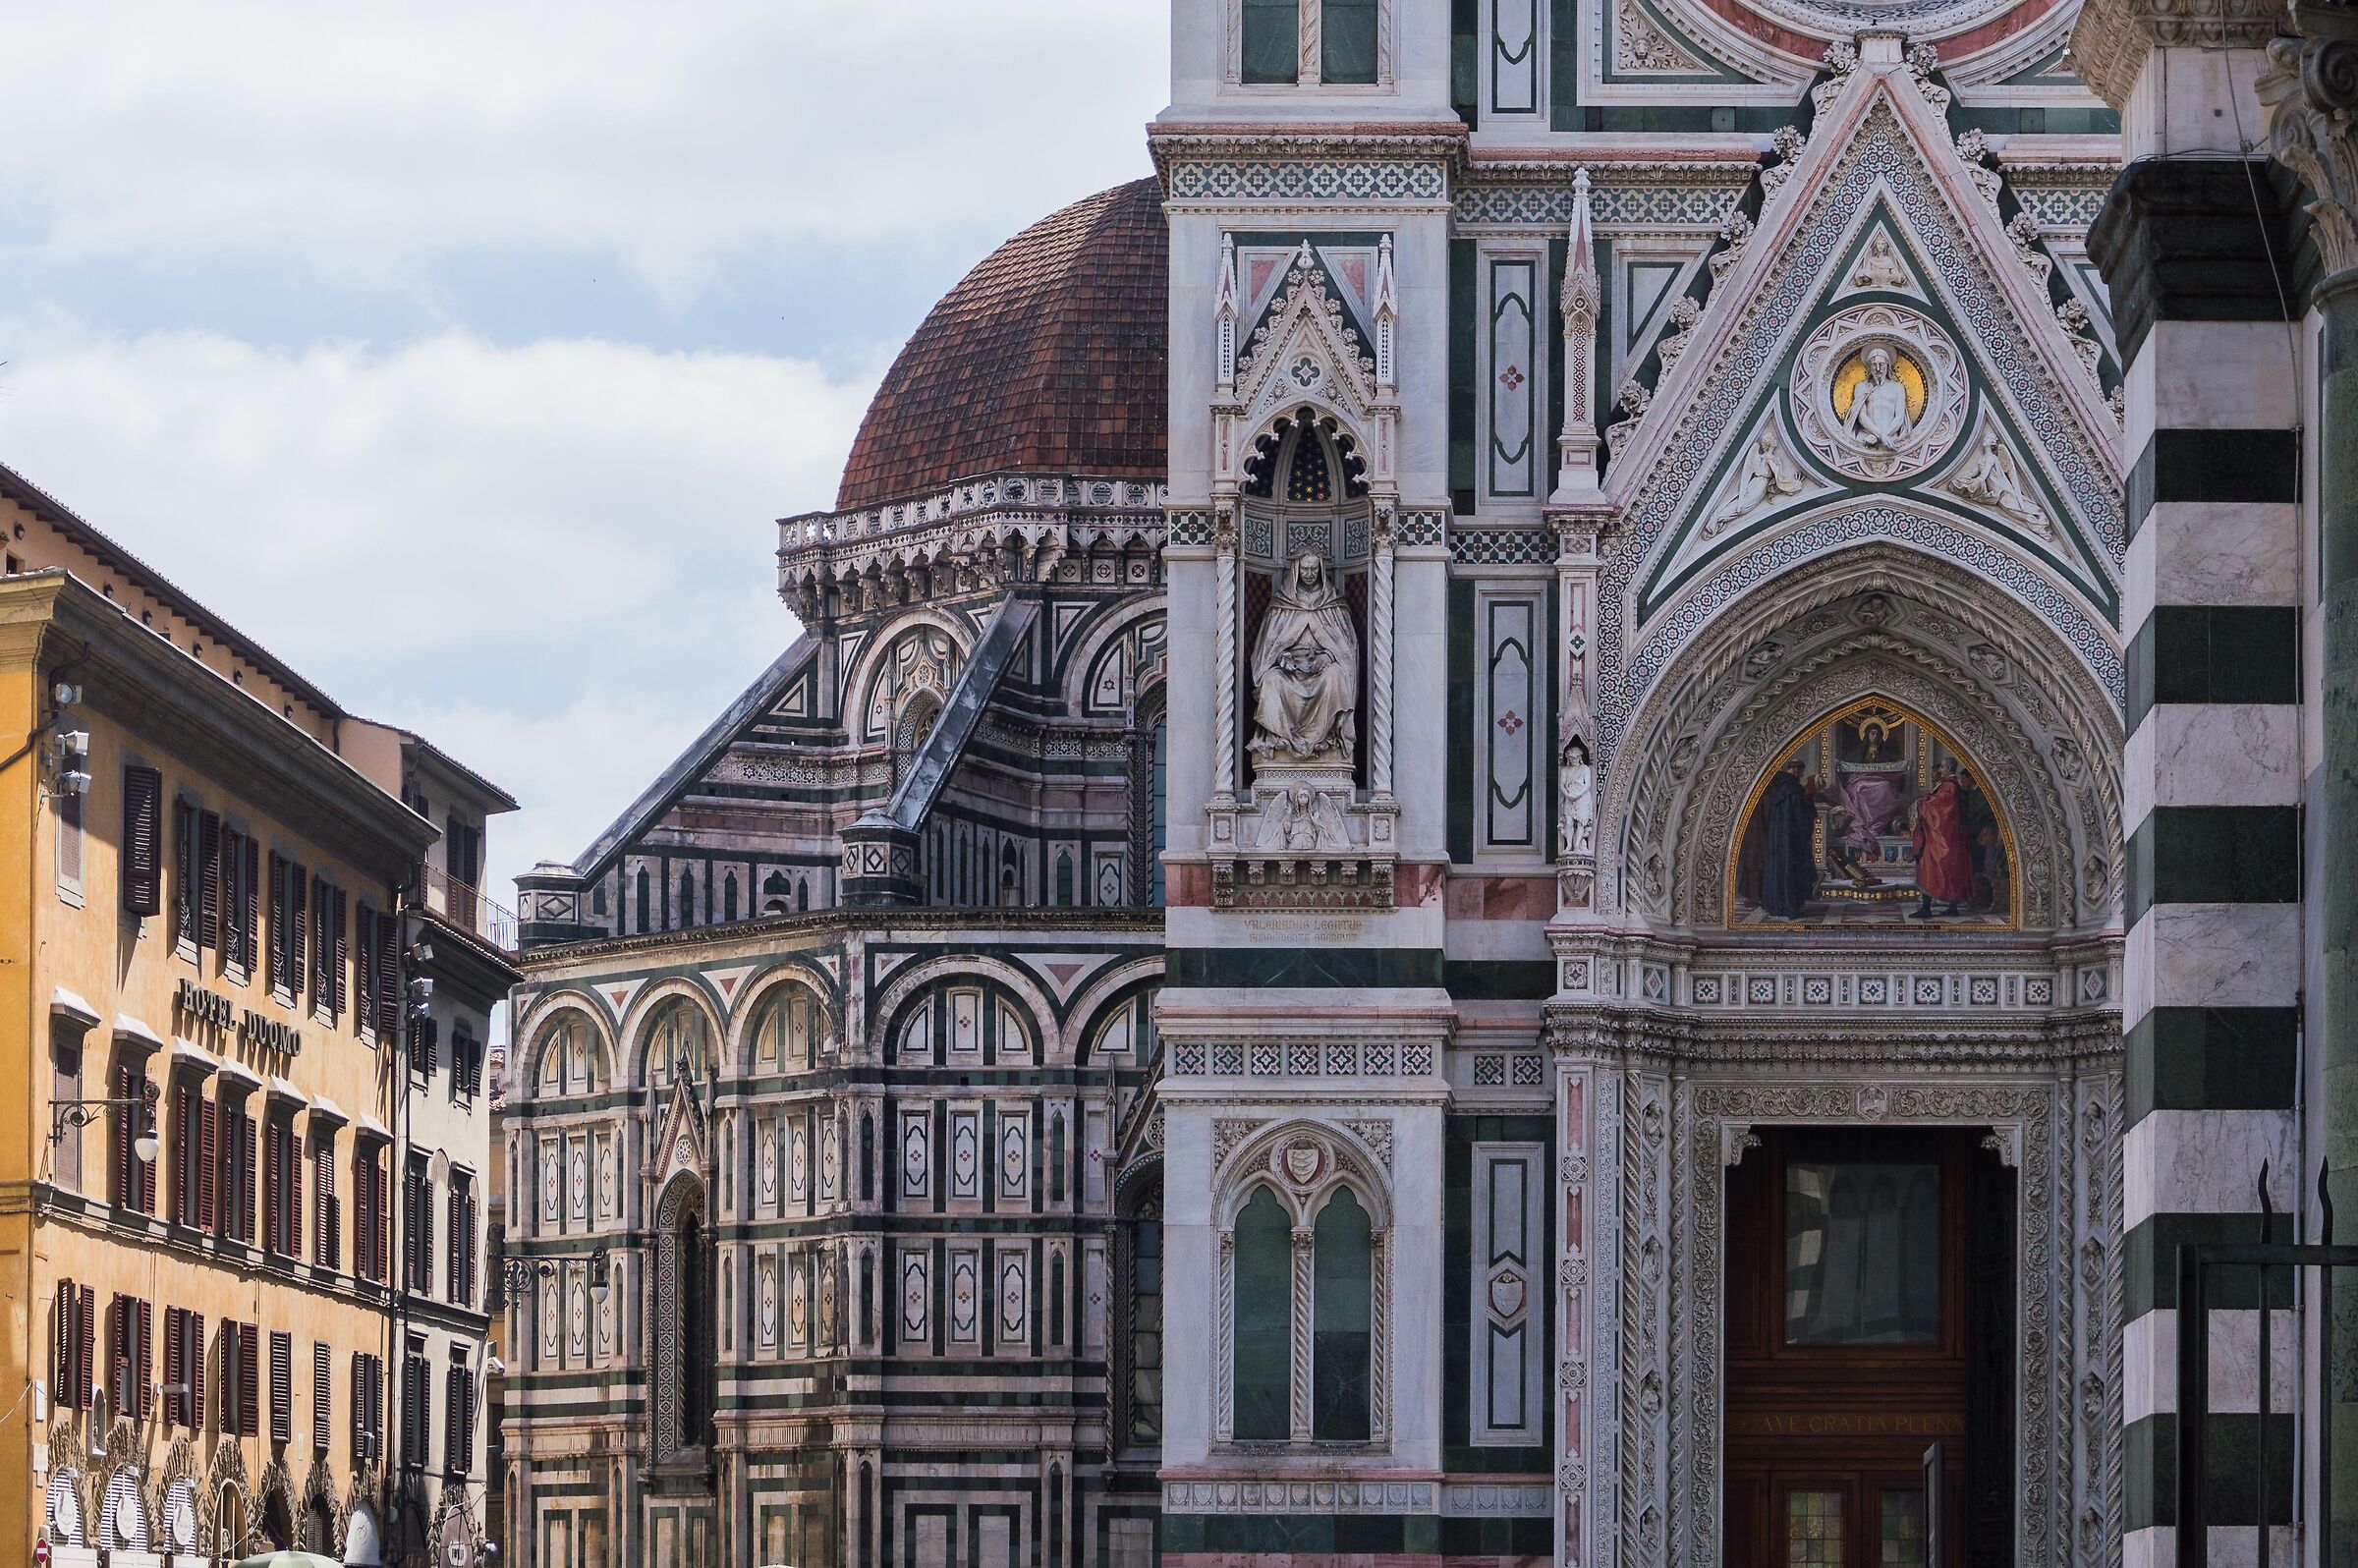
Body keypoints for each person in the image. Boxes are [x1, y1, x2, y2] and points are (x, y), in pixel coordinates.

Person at [1249, 550, 1359, 764]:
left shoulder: (1333, 605)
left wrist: (1328, 655)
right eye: (1304, 569)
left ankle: (1327, 741)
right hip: (1289, 672)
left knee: (1336, 674)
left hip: (1322, 669)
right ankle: (1281, 740)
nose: (1309, 574)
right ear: (1296, 570)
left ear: (1321, 570)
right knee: (1271, 679)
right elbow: (1266, 649)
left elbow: (1347, 650)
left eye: (1313, 569)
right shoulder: (1282, 605)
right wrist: (1282, 658)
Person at [1911, 759, 1975, 917]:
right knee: (1948, 870)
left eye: (1941, 766)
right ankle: (1951, 908)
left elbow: (1940, 809)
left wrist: (1923, 802)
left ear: (1948, 768)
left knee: (1930, 868)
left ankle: (1927, 908)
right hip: (1946, 836)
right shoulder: (1948, 785)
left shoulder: (1950, 787)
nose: (1940, 769)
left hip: (1943, 838)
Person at [1758, 758, 1820, 919]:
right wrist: (1807, 825)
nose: (1802, 775)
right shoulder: (1795, 789)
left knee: (1779, 869)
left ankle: (1776, 905)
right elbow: (1800, 817)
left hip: (1777, 838)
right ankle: (1791, 907)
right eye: (1801, 771)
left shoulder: (1777, 787)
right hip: (1792, 838)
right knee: (1792, 871)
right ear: (1797, 770)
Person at [1845, 346, 1914, 451]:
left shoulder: (1897, 387)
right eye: (1873, 365)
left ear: (1887, 365)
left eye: (1881, 364)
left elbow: (1899, 417)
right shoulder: (1862, 387)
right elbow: (1861, 416)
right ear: (1869, 367)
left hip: (1892, 437)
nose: (1878, 369)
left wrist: (1883, 436)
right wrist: (1881, 436)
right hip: (1866, 436)